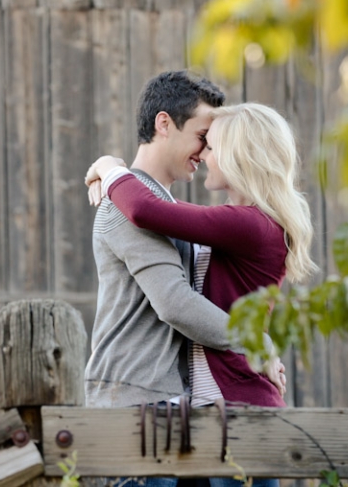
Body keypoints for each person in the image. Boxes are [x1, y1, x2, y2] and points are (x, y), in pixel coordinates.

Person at [86, 102, 318, 487]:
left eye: (213, 145)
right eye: (203, 141)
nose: (205, 154)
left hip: (241, 408)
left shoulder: (250, 224)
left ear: (240, 153)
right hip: (215, 409)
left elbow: (145, 209)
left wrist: (109, 167)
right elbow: (156, 206)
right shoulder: (238, 219)